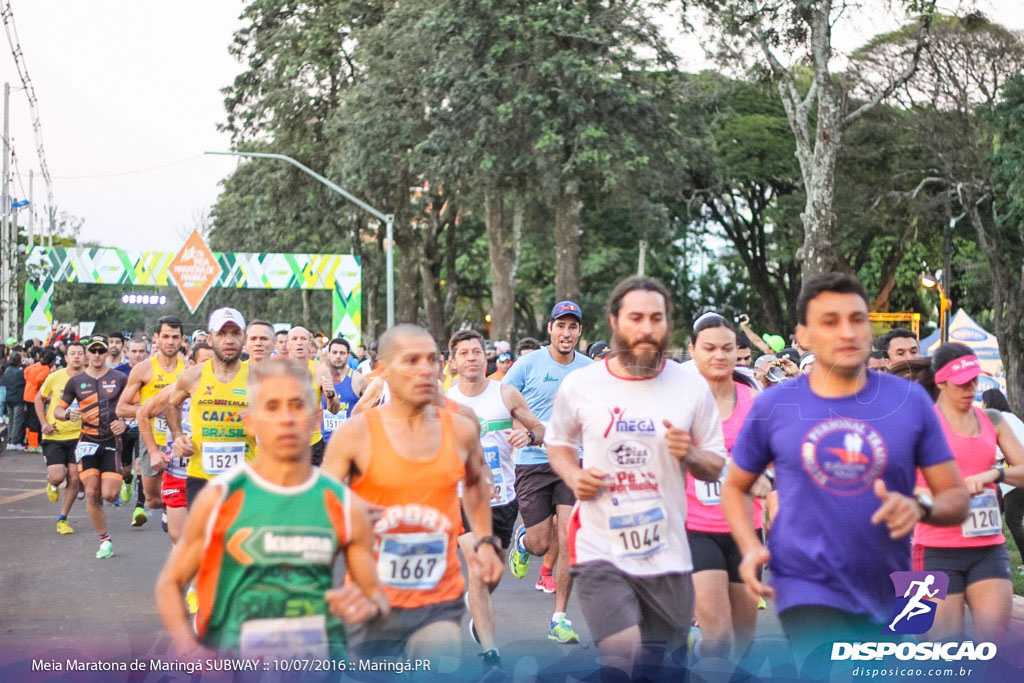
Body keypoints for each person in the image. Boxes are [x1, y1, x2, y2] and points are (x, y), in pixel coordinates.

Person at [722, 273, 969, 662]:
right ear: (802, 335)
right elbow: (735, 485)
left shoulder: (909, 402)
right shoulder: (774, 405)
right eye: (830, 321)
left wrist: (922, 508)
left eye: (857, 319)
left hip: (889, 581)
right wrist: (750, 547)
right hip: (805, 581)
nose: (848, 332)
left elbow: (956, 498)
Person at [546, 276, 726, 678]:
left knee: (662, 670)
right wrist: (574, 476)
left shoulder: (690, 385)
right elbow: (557, 444)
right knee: (623, 658)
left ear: (668, 324)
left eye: (656, 318)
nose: (646, 328)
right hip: (600, 548)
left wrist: (691, 454)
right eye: (635, 318)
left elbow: (714, 462)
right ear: (614, 321)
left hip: (668, 553)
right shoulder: (582, 384)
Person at [155, 358, 386, 659]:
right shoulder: (219, 500)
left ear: (316, 419)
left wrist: (362, 607)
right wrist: (190, 648)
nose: (286, 419)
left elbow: (375, 599)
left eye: (296, 405)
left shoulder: (343, 505)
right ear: (251, 422)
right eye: (272, 407)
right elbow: (170, 583)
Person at [322, 324, 503, 665]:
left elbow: (477, 483)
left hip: (438, 597)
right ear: (384, 371)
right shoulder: (355, 434)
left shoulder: (462, 429)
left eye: (432, 360)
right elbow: (324, 509)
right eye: (412, 360)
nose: (425, 369)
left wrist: (484, 541)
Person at [446, 329, 546, 669]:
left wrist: (528, 435)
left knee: (490, 576)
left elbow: (540, 429)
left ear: (485, 357)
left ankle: (477, 606)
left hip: (504, 498)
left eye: (477, 351)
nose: (472, 357)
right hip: (462, 499)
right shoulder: (445, 402)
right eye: (465, 352)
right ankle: (490, 652)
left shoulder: (505, 394)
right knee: (477, 568)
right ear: (454, 361)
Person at [911, 343, 1024, 644]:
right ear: (941, 382)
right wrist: (949, 496)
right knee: (942, 655)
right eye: (962, 383)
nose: (971, 388)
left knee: (995, 646)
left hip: (988, 548)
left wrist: (996, 473)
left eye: (975, 380)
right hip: (933, 550)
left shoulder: (993, 420)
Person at [504, 301, 593, 644]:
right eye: (561, 326)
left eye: (573, 327)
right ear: (551, 330)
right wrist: (536, 428)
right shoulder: (528, 364)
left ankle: (559, 618)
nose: (566, 333)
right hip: (533, 461)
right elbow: (508, 394)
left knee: (569, 539)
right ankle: (524, 543)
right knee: (542, 542)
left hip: (573, 461)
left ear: (579, 332)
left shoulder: (587, 369)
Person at [684, 314, 770, 659]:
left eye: (726, 348)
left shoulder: (755, 400)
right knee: (718, 636)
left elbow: (777, 457)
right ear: (693, 351)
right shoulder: (682, 402)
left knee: (744, 640)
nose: (718, 355)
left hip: (746, 530)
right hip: (696, 527)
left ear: (738, 352)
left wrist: (767, 479)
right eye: (709, 348)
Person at [165, 308, 253, 507]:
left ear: (244, 337)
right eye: (221, 334)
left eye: (235, 333)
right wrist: (178, 435)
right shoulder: (193, 376)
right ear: (210, 339)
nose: (229, 340)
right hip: (201, 477)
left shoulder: (259, 378)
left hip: (246, 478)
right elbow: (171, 405)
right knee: (205, 537)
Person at [54, 335, 129, 559]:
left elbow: (135, 406)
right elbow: (58, 410)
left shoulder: (120, 378)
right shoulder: (75, 381)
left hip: (111, 442)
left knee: (108, 494)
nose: (97, 355)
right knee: (91, 492)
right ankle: (104, 539)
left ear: (107, 353)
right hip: (87, 440)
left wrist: (124, 422)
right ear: (88, 354)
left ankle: (122, 481)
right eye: (93, 351)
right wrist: (68, 413)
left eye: (101, 351)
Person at [117, 316, 186, 527]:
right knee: (153, 500)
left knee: (181, 492)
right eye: (165, 336)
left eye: (175, 337)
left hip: (179, 440)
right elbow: (121, 408)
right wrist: (151, 411)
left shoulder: (190, 370)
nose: (170, 341)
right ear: (156, 338)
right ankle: (166, 506)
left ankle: (175, 511)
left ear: (183, 340)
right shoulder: (144, 369)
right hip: (151, 439)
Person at [36, 342, 86, 534]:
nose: (76, 357)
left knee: (74, 478)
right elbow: (38, 399)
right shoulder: (55, 377)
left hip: (79, 436)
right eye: (72, 354)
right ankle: (52, 483)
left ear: (84, 357)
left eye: (79, 354)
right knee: (58, 477)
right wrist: (43, 423)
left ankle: (63, 519)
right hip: (54, 434)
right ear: (66, 358)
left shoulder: (89, 379)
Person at [981, 389, 1024, 569]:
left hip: (1014, 476)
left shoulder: (999, 420)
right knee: (995, 515)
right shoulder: (1012, 418)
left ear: (989, 403)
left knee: (1011, 519)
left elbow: (1000, 450)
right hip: (1010, 477)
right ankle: (988, 556)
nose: (982, 406)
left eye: (983, 402)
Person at [286, 326, 339, 466]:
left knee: (309, 486)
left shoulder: (320, 370)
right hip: (284, 441)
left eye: (303, 339)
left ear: (310, 345)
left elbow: (334, 410)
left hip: (312, 442)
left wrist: (331, 395)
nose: (299, 342)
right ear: (288, 344)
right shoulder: (276, 369)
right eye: (294, 339)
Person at [321, 337, 367, 443]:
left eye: (342, 353)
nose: (338, 356)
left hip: (350, 441)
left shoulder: (358, 379)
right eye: (334, 352)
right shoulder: (320, 377)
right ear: (328, 354)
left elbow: (370, 410)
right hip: (324, 442)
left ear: (348, 355)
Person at [23, 348, 56, 453]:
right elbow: (39, 380)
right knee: (35, 421)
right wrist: (40, 387)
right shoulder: (46, 369)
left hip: (27, 395)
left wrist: (29, 381)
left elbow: (26, 371)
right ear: (52, 361)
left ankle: (29, 443)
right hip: (34, 397)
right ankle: (34, 445)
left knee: (30, 420)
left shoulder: (37, 364)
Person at [3, 351, 26, 448]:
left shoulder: (7, 370)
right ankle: (15, 442)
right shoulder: (20, 372)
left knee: (11, 420)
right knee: (17, 420)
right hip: (18, 399)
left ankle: (9, 441)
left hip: (8, 398)